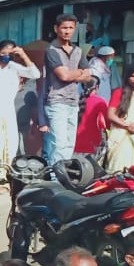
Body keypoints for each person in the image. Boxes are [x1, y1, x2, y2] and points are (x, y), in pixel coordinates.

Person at [0, 40, 40, 185]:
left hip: (8, 110)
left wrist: (23, 55)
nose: (6, 56)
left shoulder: (14, 67)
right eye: (3, 53)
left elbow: (35, 74)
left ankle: (7, 175)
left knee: (11, 143)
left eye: (9, 54)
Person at [42, 14, 92, 164]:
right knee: (58, 144)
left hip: (72, 101)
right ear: (56, 29)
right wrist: (79, 73)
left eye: (71, 28)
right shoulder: (52, 51)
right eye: (64, 27)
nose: (67, 31)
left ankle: (62, 177)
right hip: (56, 101)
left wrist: (74, 74)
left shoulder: (77, 50)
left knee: (69, 144)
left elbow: (89, 76)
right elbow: (63, 76)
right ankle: (55, 178)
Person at [74, 78, 109, 157]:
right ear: (97, 87)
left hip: (74, 144)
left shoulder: (76, 100)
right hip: (92, 145)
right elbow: (108, 123)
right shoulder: (100, 101)